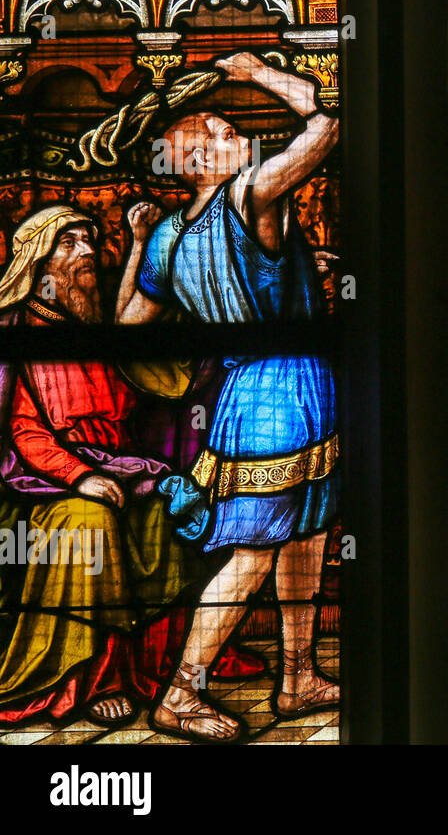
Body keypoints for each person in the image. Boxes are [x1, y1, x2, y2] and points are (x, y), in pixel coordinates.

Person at [117, 52, 340, 741]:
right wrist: (257, 70)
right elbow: (329, 124)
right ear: (199, 160)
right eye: (217, 129)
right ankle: (182, 692)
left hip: (255, 390)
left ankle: (298, 677)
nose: (233, 130)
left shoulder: (167, 237)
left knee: (306, 533)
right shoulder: (247, 194)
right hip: (285, 389)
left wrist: (131, 245)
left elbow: (127, 325)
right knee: (253, 551)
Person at [0, 206, 258, 727]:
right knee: (88, 523)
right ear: (38, 261)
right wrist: (79, 477)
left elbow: (164, 365)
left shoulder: (98, 328)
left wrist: (141, 243)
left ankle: (157, 667)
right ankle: (89, 680)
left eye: (90, 240)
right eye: (69, 243)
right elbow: (25, 433)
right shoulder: (15, 331)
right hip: (33, 488)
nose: (88, 252)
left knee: (169, 514)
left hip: (116, 469)